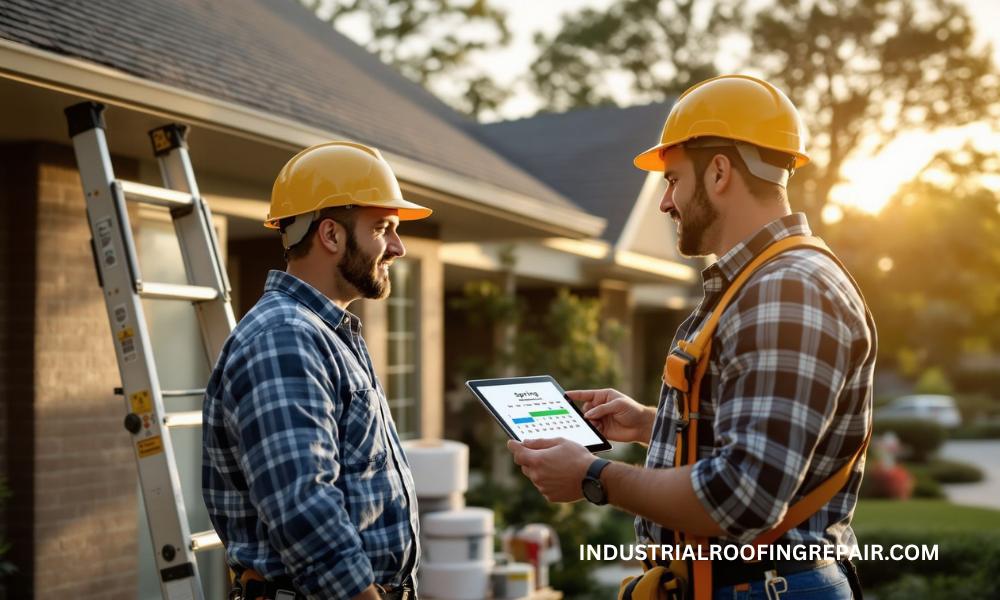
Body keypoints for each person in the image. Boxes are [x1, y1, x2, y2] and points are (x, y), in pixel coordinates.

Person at [507, 75, 875, 599]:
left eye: (674, 179)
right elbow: (766, 441)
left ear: (720, 172)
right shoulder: (765, 282)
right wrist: (651, 425)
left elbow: (743, 494)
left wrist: (594, 475)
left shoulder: (786, 289)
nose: (665, 202)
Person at [203, 141, 432, 600]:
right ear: (330, 235)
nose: (398, 247)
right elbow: (302, 506)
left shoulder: (323, 333)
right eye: (383, 228)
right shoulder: (284, 338)